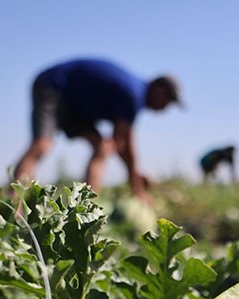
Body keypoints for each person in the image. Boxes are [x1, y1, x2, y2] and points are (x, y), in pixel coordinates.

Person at [12, 58, 184, 201]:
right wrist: (137, 186)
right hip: (54, 86)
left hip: (75, 104)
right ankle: (13, 204)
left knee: (103, 147)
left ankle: (86, 208)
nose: (165, 108)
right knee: (42, 145)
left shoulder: (134, 93)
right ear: (159, 90)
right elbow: (125, 146)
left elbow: (119, 144)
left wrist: (134, 175)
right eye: (168, 102)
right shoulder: (133, 95)